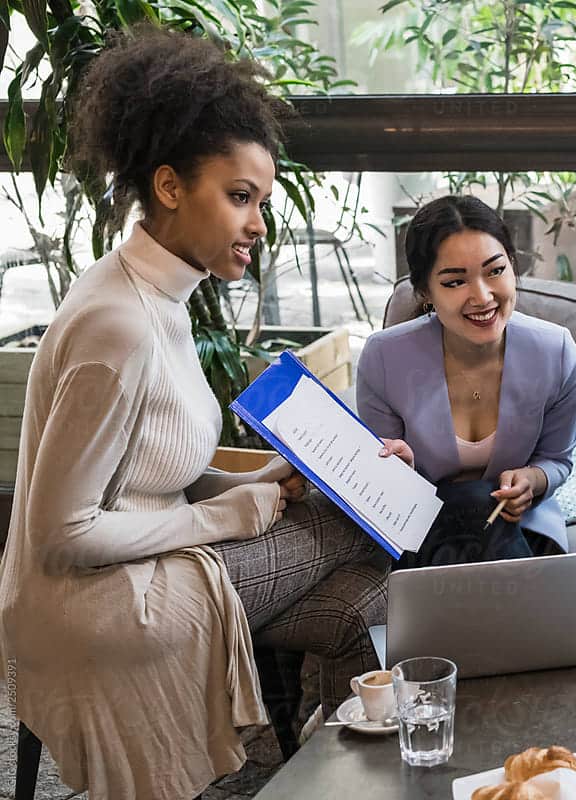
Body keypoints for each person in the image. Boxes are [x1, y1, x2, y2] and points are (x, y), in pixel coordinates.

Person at [0, 28, 390, 799]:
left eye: (262, 201)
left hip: (143, 563)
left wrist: (266, 479)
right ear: (171, 187)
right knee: (360, 526)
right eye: (239, 197)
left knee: (364, 599)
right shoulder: (120, 323)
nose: (258, 224)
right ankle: (343, 771)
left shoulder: (160, 295)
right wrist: (224, 518)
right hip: (98, 601)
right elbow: (60, 533)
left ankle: (337, 780)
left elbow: (144, 471)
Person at [356, 195, 576, 563]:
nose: (481, 296)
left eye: (495, 271)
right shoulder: (384, 358)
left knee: (482, 500)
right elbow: (384, 489)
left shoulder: (555, 352)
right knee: (471, 499)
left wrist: (531, 481)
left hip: (522, 528)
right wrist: (400, 468)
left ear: (513, 265)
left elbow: (557, 459)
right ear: (426, 292)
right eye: (455, 281)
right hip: (424, 528)